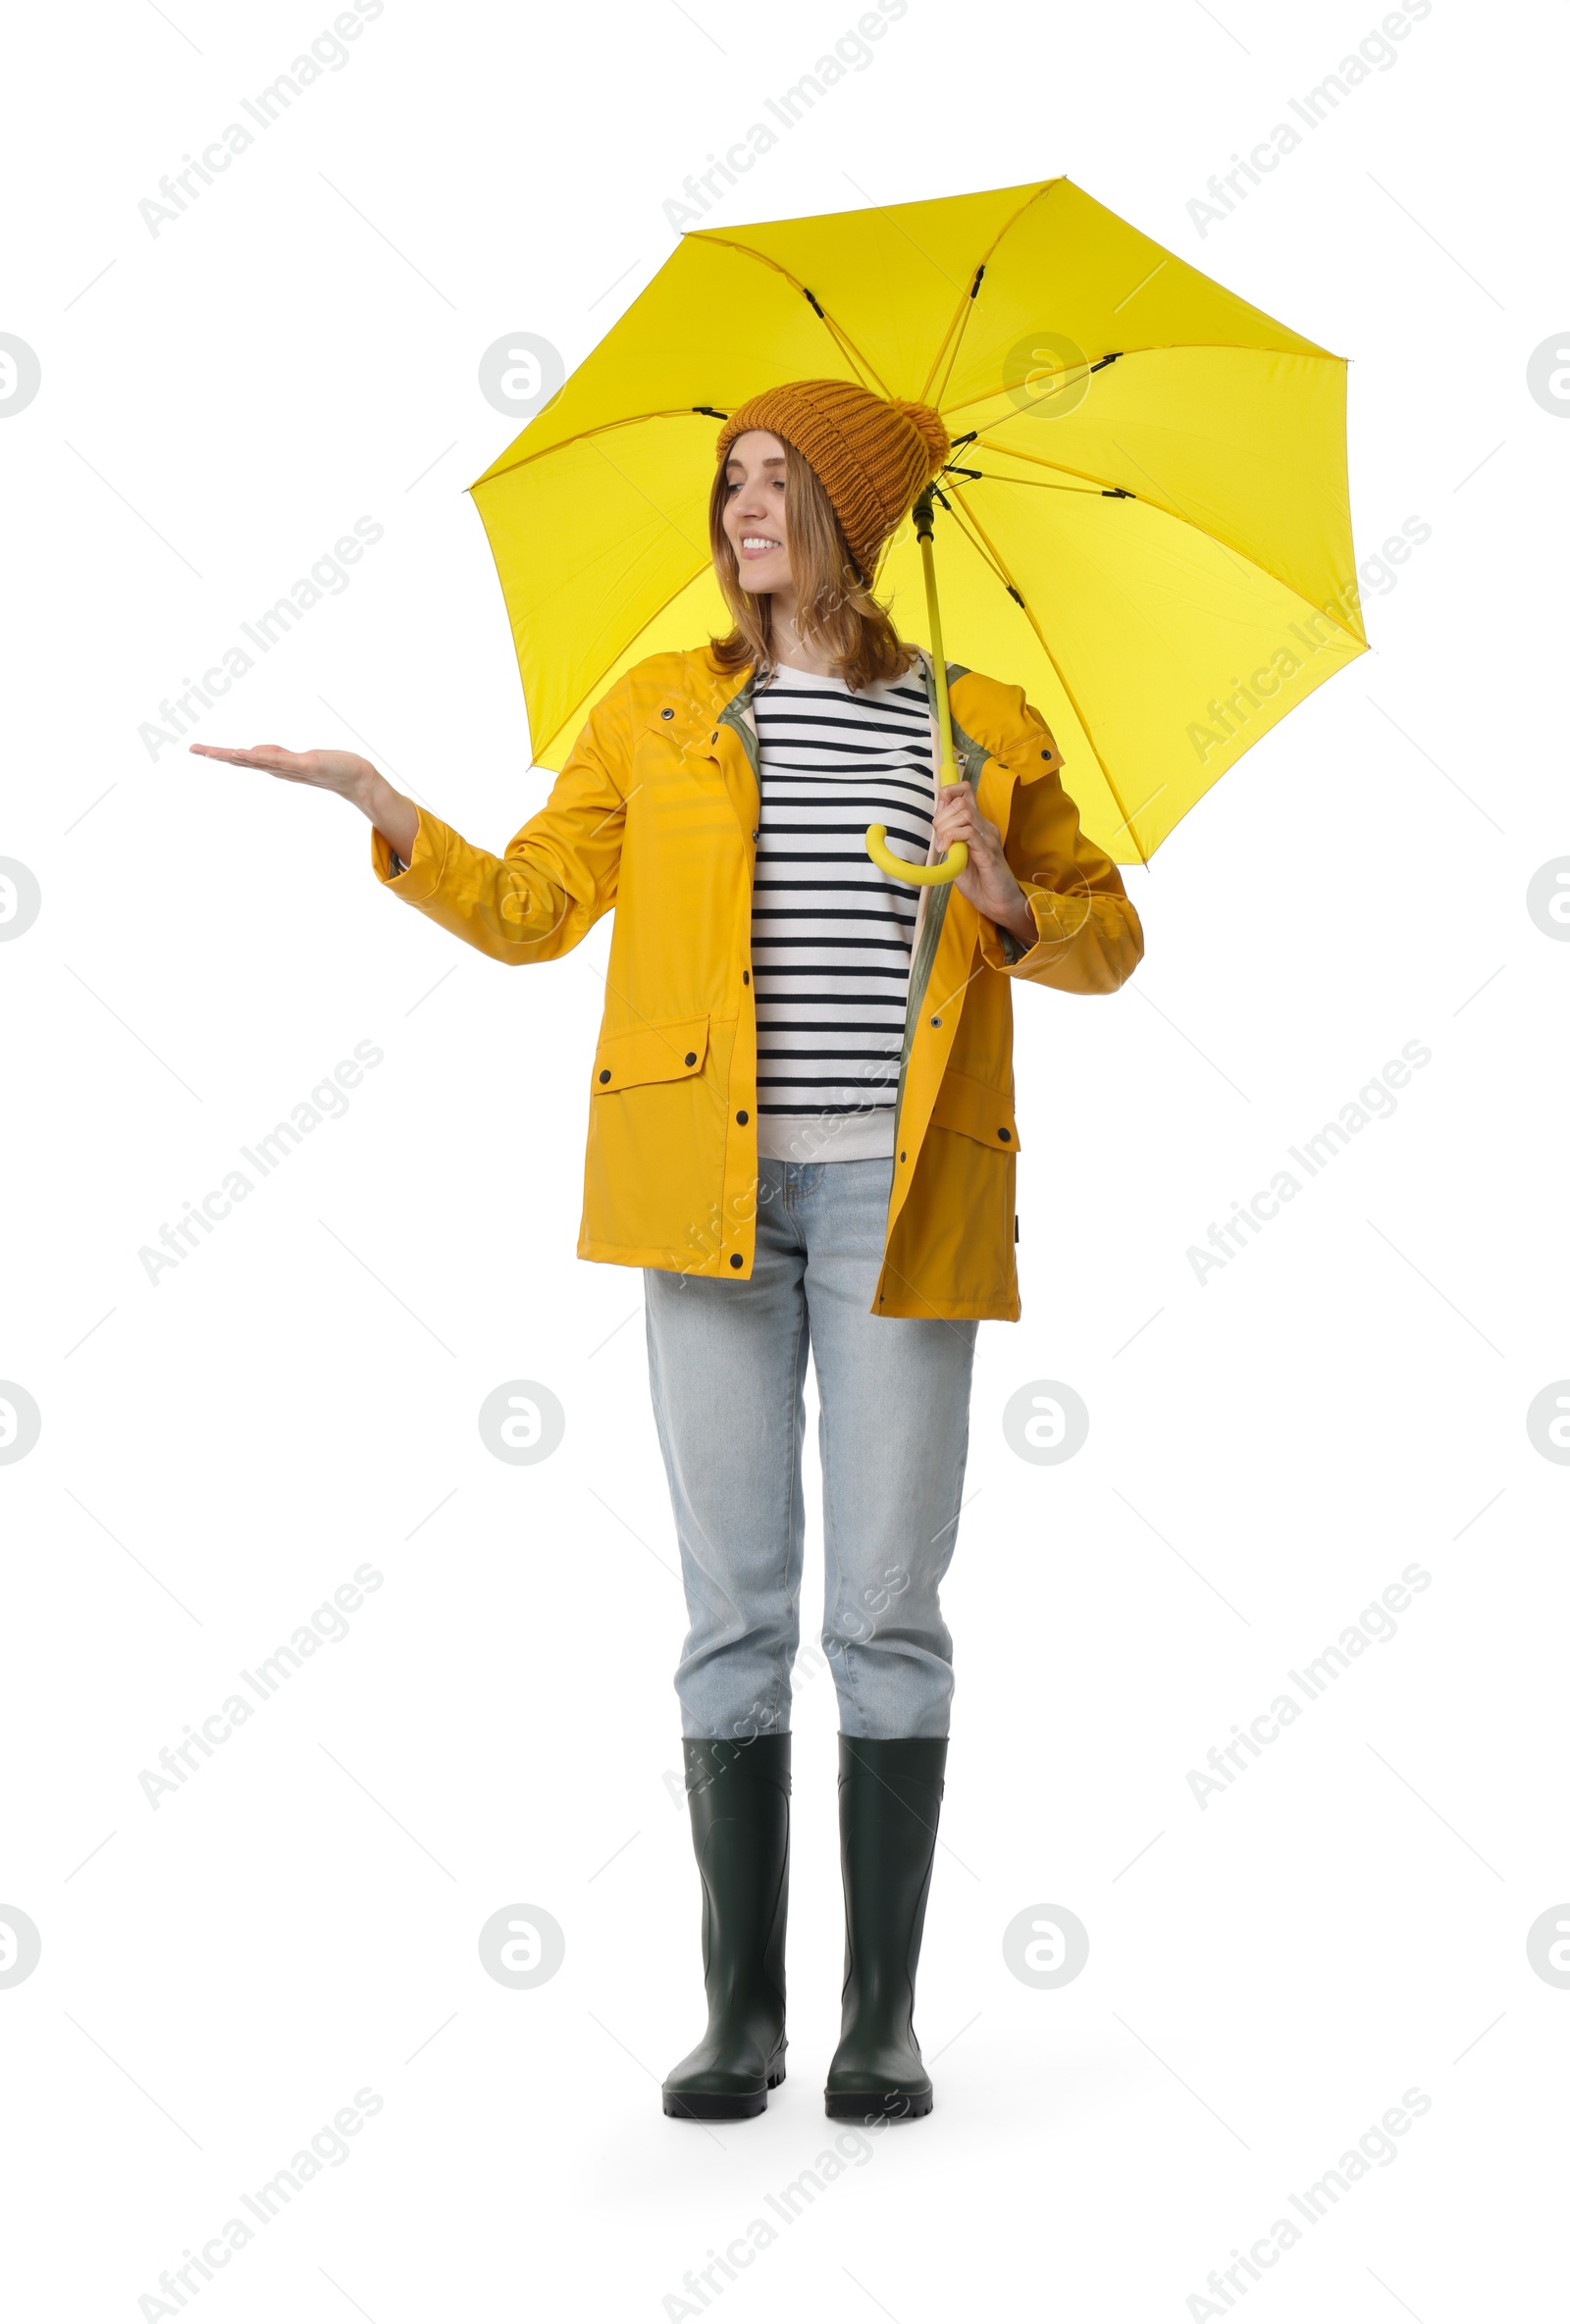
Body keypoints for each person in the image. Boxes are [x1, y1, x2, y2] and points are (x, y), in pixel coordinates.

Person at [190, 377, 1144, 2125]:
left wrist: (1009, 894)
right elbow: (536, 911)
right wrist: (387, 807)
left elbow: (1111, 945)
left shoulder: (979, 726)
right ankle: (741, 2021)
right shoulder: (661, 713)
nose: (744, 507)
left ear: (855, 512)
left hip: (902, 1200)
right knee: (734, 1612)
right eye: (735, 481)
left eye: (781, 479)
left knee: (886, 1615)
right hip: (703, 1197)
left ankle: (881, 2022)